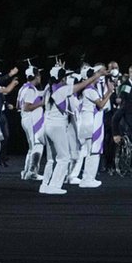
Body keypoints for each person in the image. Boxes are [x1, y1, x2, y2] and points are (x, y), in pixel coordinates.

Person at [40, 66, 107, 195]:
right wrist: (95, 75)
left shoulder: (49, 88)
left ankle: (45, 185)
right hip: (57, 126)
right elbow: (81, 85)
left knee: (52, 159)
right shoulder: (62, 89)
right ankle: (54, 186)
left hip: (47, 124)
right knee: (64, 158)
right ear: (62, 79)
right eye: (65, 77)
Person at [76, 65, 114, 188]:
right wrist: (109, 92)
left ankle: (87, 178)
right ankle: (88, 179)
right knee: (93, 152)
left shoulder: (87, 89)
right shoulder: (90, 90)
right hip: (91, 123)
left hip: (87, 123)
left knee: (90, 151)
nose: (97, 76)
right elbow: (101, 104)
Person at [18, 67, 45, 181]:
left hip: (27, 119)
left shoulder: (24, 88)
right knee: (37, 145)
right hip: (32, 120)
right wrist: (42, 103)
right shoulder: (30, 90)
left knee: (32, 147)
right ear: (36, 76)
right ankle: (32, 172)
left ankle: (26, 171)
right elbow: (27, 107)